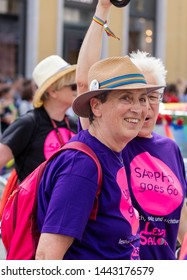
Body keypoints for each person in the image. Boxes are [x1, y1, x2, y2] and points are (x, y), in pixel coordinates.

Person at [76, 0, 187, 260]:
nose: (144, 107)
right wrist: (102, 10)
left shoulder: (169, 148)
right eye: (134, 97)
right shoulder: (109, 141)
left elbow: (180, 216)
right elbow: (84, 82)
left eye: (152, 96)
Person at [35, 55, 164, 260]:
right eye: (125, 98)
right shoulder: (81, 166)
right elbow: (46, 257)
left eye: (142, 98)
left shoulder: (111, 152)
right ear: (96, 106)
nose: (139, 109)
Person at [0, 55, 78, 250]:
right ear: (53, 90)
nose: (77, 90)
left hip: (65, 218)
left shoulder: (74, 125)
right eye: (72, 86)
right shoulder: (29, 123)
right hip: (31, 222)